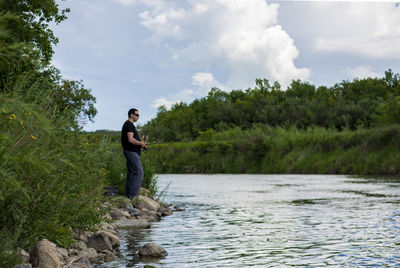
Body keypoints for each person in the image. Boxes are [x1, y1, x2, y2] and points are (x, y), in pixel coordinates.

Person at [121, 108, 147, 199]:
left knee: (131, 173)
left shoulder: (129, 125)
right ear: (131, 115)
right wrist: (141, 143)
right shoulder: (129, 125)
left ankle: (128, 196)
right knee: (139, 173)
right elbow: (130, 139)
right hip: (131, 152)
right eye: (137, 115)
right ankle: (133, 196)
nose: (138, 117)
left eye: (138, 115)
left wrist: (140, 144)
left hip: (130, 152)